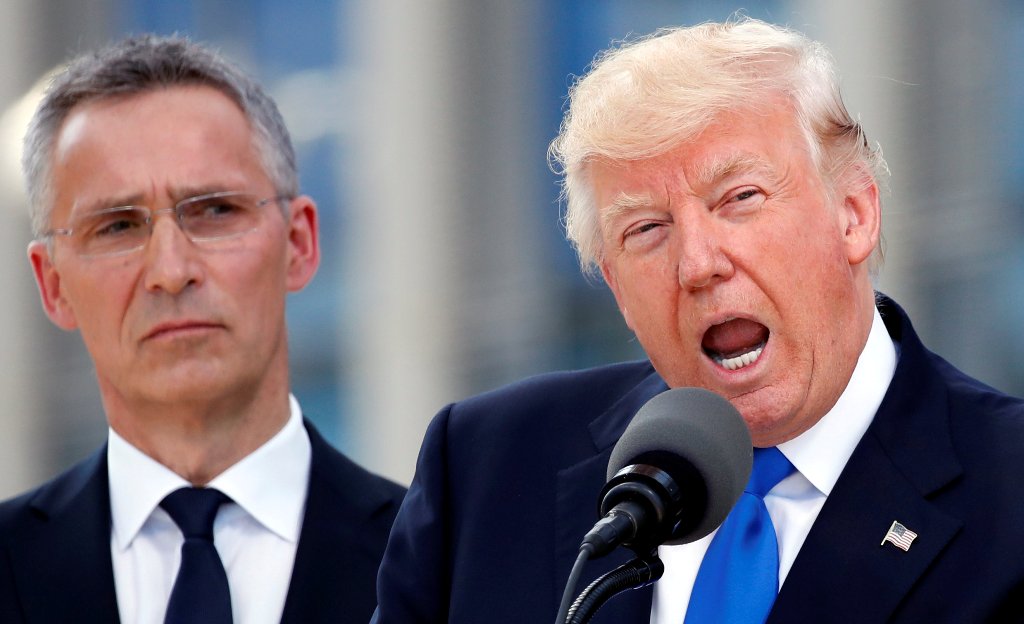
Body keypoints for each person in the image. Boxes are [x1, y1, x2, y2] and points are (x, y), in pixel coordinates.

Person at [373, 17, 1024, 623]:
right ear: (616, 288)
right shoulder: (486, 468)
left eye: (740, 198)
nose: (698, 264)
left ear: (854, 215)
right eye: (646, 229)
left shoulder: (1009, 488)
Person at [0, 34, 405, 624]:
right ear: (53, 284)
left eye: (215, 211)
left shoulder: (443, 566)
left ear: (299, 244)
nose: (171, 271)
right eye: (117, 227)